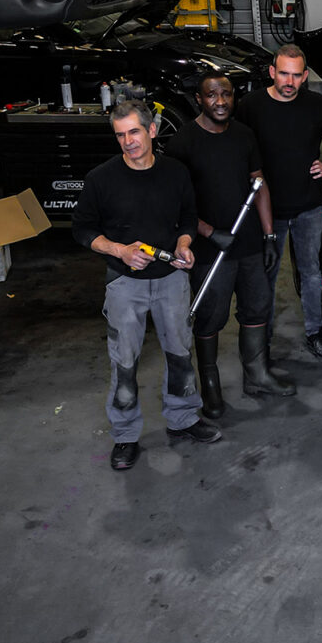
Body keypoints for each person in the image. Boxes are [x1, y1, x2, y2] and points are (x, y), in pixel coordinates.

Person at [72, 100, 220, 471]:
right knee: (124, 362)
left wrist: (184, 244)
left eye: (134, 132)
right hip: (125, 284)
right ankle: (125, 436)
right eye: (120, 135)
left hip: (171, 279)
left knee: (179, 353)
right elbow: (83, 230)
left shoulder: (175, 172)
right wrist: (119, 250)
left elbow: (188, 218)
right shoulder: (101, 179)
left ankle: (183, 418)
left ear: (152, 130)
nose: (128, 142)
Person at [165, 72, 293, 421]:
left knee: (257, 307)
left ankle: (257, 375)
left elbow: (259, 185)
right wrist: (209, 232)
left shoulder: (244, 135)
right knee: (210, 316)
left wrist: (269, 235)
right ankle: (210, 385)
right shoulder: (183, 143)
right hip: (210, 250)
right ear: (199, 99)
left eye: (226, 94)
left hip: (248, 242)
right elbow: (175, 203)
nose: (220, 101)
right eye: (212, 95)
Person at [235, 44, 322, 364]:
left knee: (311, 273)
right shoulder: (250, 107)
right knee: (265, 275)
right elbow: (232, 145)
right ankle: (261, 340)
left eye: (296, 75)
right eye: (283, 74)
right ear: (272, 72)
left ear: (305, 76)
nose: (289, 82)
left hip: (309, 206)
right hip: (268, 211)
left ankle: (315, 332)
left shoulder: (318, 106)